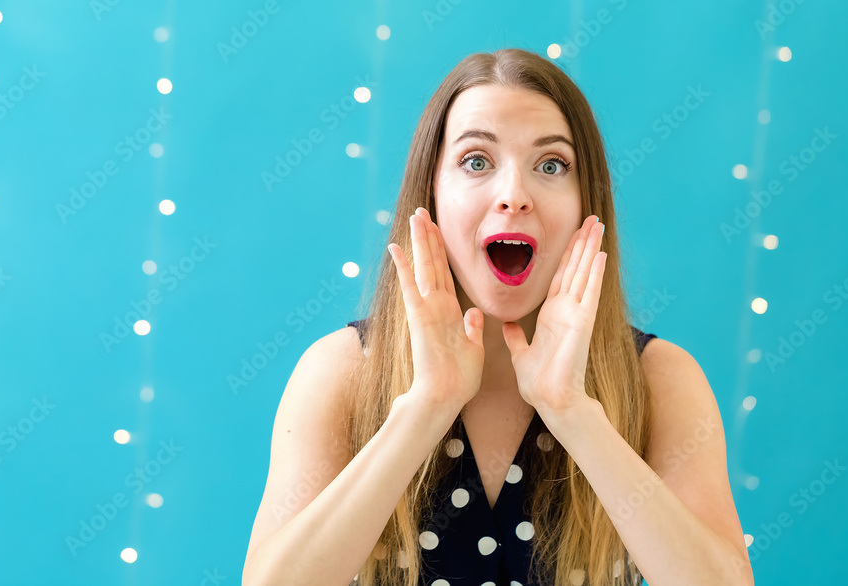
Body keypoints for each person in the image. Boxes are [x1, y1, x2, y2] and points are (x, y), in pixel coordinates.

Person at [242, 48, 753, 586]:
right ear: (431, 193)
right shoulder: (341, 371)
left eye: (551, 165)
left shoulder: (661, 379)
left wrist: (573, 412)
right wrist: (425, 409)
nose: (514, 196)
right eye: (476, 162)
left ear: (586, 205)